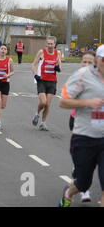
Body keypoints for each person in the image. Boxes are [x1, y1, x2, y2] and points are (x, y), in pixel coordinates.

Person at [58, 45, 104, 207]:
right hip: (84, 137)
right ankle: (69, 192)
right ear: (97, 60)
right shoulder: (83, 75)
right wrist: (88, 102)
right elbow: (63, 101)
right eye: (103, 60)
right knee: (84, 183)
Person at [66, 51, 96, 203]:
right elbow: (64, 101)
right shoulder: (78, 78)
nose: (86, 65)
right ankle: (84, 189)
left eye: (90, 62)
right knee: (84, 158)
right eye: (84, 62)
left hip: (98, 125)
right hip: (77, 120)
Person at [31, 36, 62, 131]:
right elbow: (33, 64)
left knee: (48, 104)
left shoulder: (58, 53)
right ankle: (37, 114)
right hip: (42, 80)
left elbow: (60, 66)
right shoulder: (42, 52)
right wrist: (35, 75)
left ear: (55, 44)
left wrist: (58, 68)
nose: (49, 45)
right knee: (43, 102)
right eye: (48, 44)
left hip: (52, 81)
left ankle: (43, 123)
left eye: (51, 44)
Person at [0, 45, 15, 130]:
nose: (3, 50)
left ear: (6, 51)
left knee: (3, 105)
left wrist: (7, 75)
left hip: (5, 83)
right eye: (2, 48)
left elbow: (13, 72)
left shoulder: (9, 60)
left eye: (5, 49)